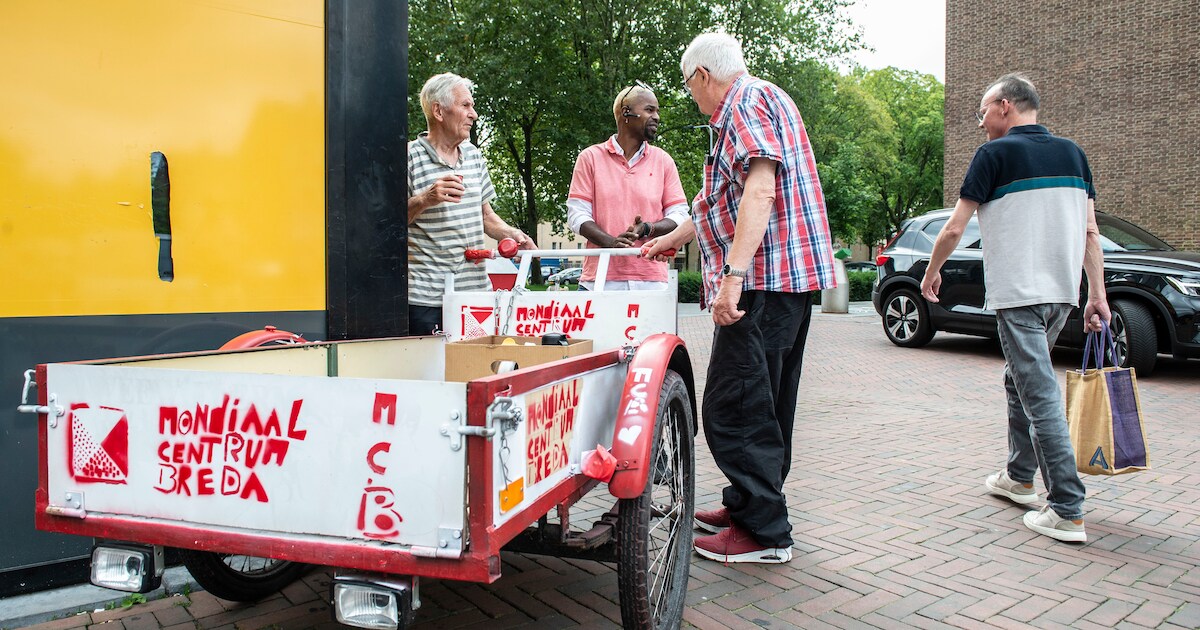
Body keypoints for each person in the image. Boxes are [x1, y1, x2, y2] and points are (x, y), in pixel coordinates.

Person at [644, 32, 835, 563]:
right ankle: (749, 505)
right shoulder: (765, 99)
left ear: (702, 76)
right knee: (766, 403)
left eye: (689, 87)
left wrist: (732, 277)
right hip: (784, 283)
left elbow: (760, 189)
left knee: (735, 406)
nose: (692, 99)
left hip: (762, 283)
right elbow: (714, 200)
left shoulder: (743, 104)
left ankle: (764, 534)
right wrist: (669, 240)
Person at [920, 73, 1109, 542]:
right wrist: (1096, 296)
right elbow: (1090, 233)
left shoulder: (994, 154)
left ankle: (1067, 507)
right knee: (1020, 380)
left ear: (1005, 106)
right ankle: (1019, 476)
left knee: (1039, 394)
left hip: (1020, 296)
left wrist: (931, 272)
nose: (980, 121)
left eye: (983, 111)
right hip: (1062, 296)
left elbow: (953, 228)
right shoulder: (1074, 155)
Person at [407, 73, 534, 334]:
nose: (473, 114)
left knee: (472, 366)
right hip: (427, 299)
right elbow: (384, 224)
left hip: (475, 294)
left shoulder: (474, 156)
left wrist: (511, 234)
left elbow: (485, 215)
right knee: (431, 372)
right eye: (465, 105)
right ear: (439, 111)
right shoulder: (408, 156)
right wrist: (424, 199)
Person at [566, 83, 689, 290]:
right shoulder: (590, 158)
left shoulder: (663, 161)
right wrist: (611, 243)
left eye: (657, 111)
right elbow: (577, 215)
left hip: (651, 281)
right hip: (599, 281)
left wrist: (649, 228)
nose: (657, 117)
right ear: (626, 112)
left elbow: (680, 215)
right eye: (650, 110)